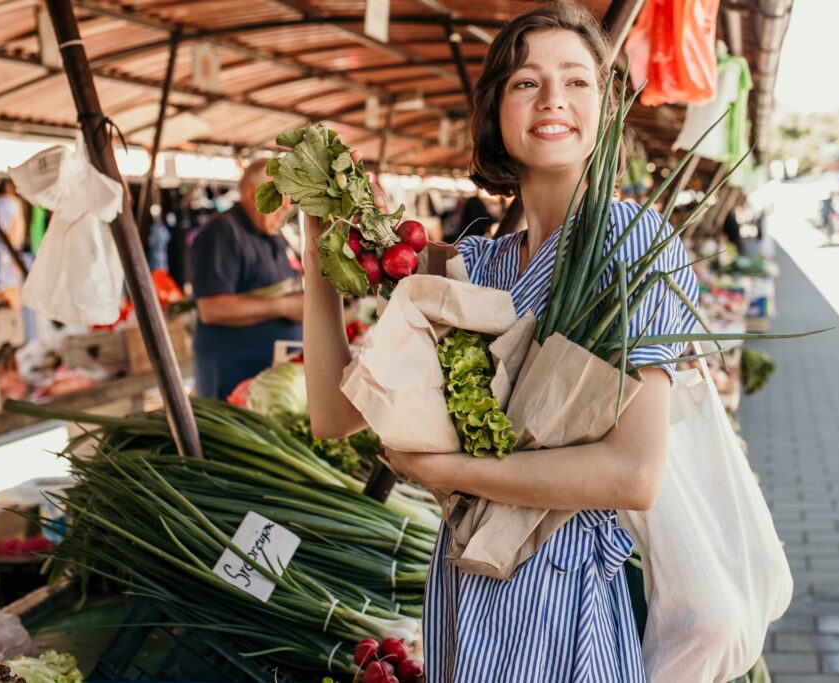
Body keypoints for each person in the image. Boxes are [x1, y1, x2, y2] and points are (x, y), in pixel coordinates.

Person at [301, 1, 698, 680]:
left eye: (577, 80)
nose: (553, 99)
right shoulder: (474, 265)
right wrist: (318, 261)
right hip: (463, 593)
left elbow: (633, 474)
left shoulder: (634, 245)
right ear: (495, 111)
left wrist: (447, 473)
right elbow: (334, 415)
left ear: (604, 109)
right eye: (525, 82)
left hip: (562, 603)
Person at [190, 159, 303, 399]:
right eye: (280, 198)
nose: (287, 207)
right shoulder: (221, 232)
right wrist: (284, 307)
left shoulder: (271, 232)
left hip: (268, 378)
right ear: (253, 194)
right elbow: (211, 309)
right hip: (232, 377)